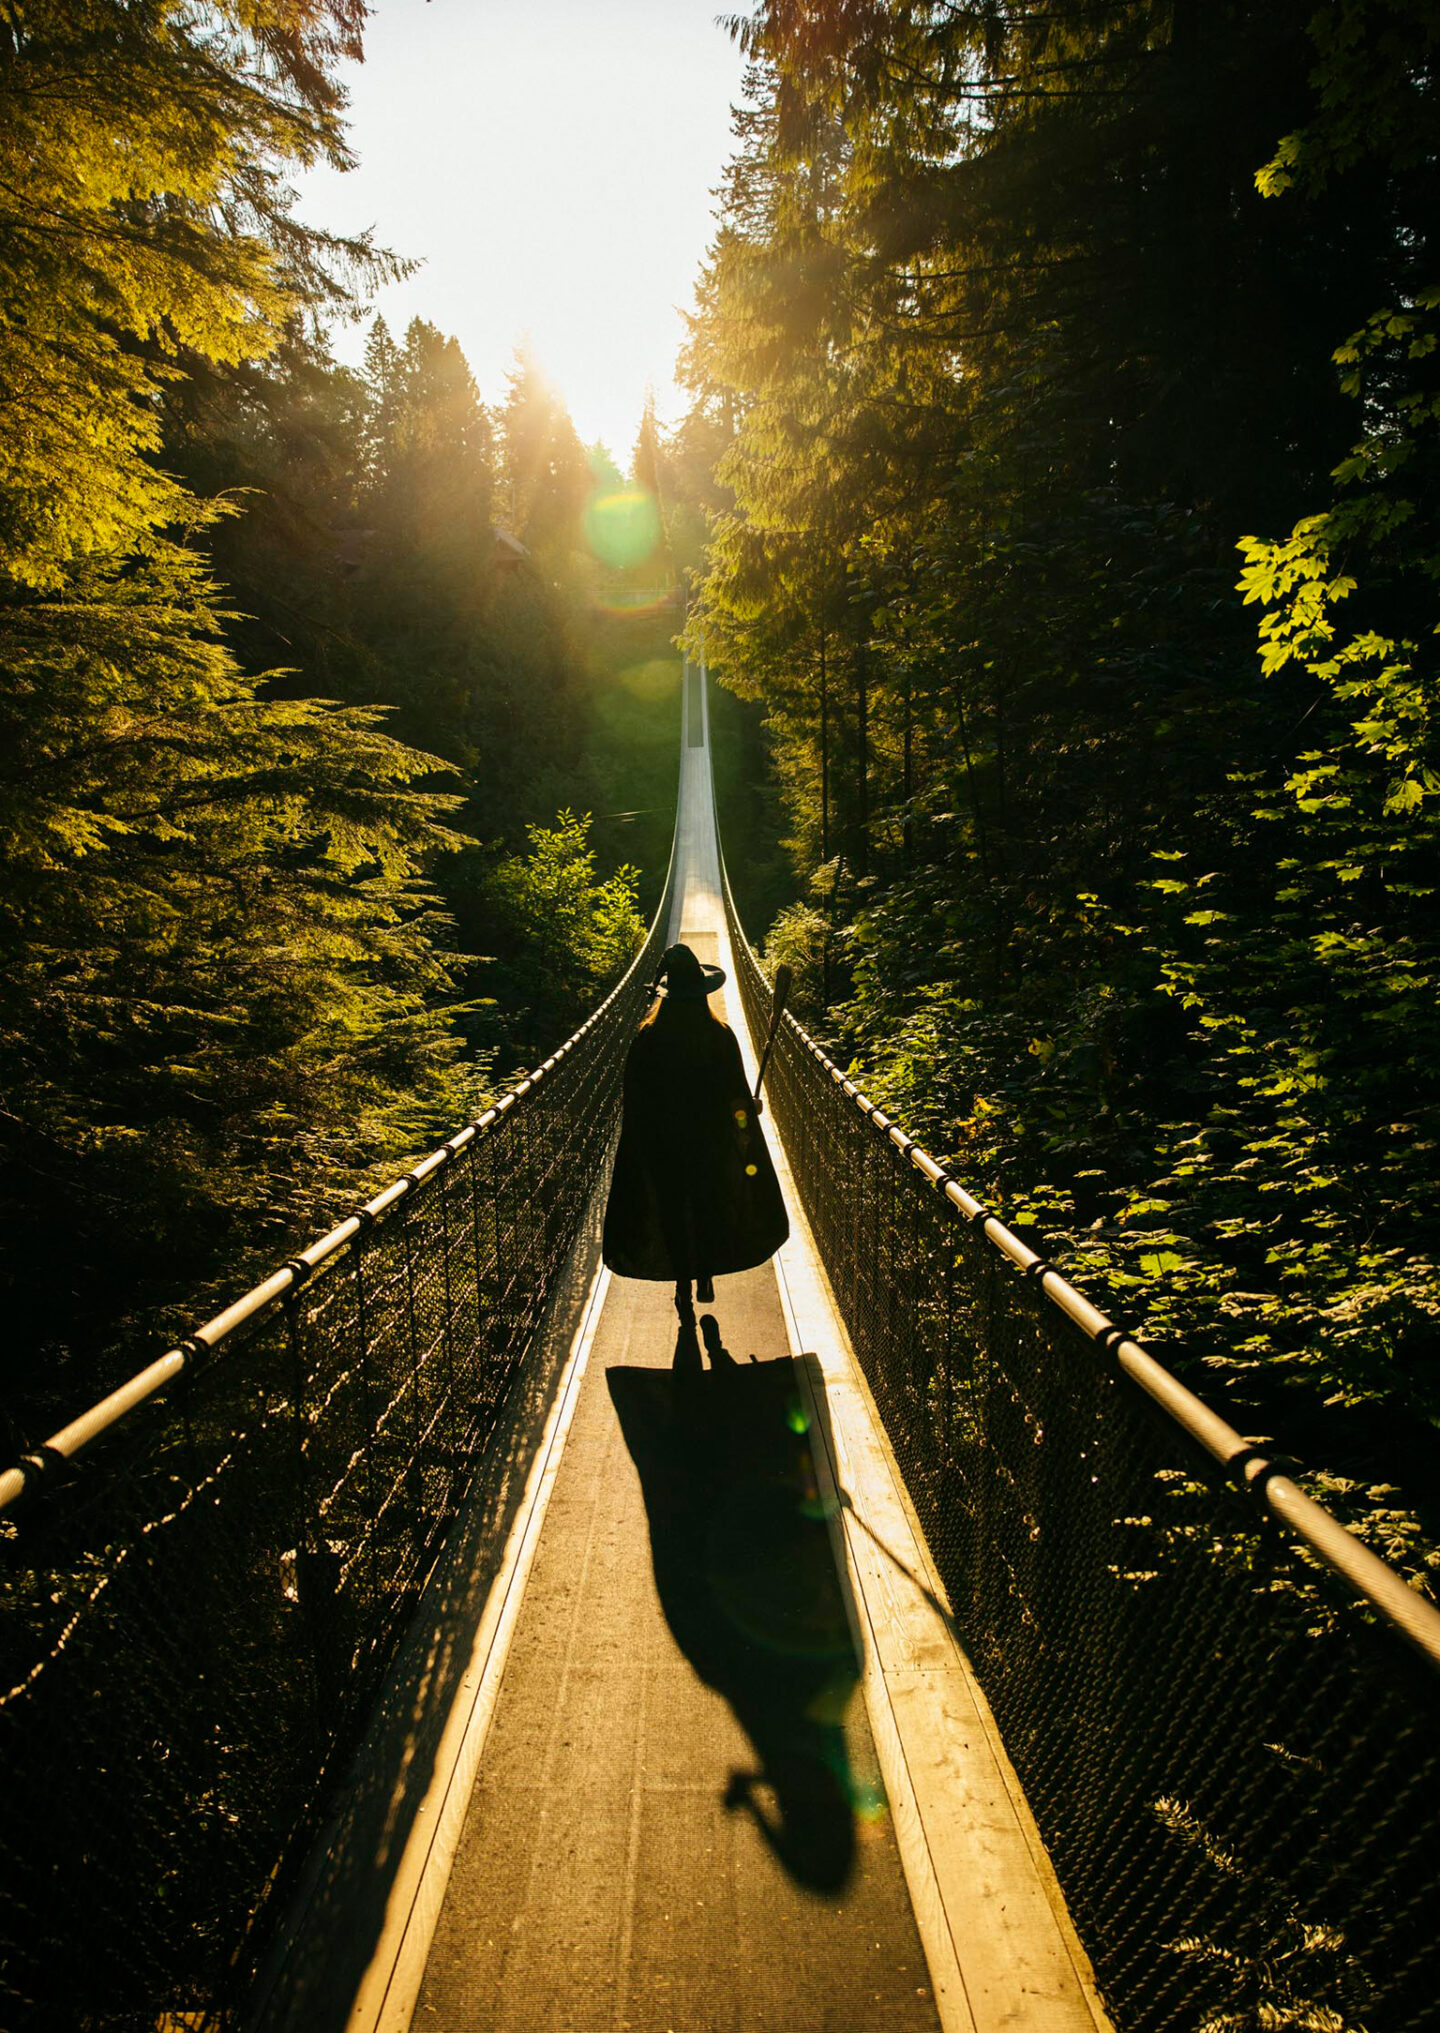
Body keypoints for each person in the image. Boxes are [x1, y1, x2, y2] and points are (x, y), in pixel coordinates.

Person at [603, 942, 789, 1317]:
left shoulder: (647, 1039)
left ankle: (683, 1285)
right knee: (708, 1206)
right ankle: (704, 1271)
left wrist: (641, 1144)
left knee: (672, 1211)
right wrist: (747, 1119)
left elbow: (634, 1098)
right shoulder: (720, 1037)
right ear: (702, 995)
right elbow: (736, 1097)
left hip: (663, 1147)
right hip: (711, 1144)